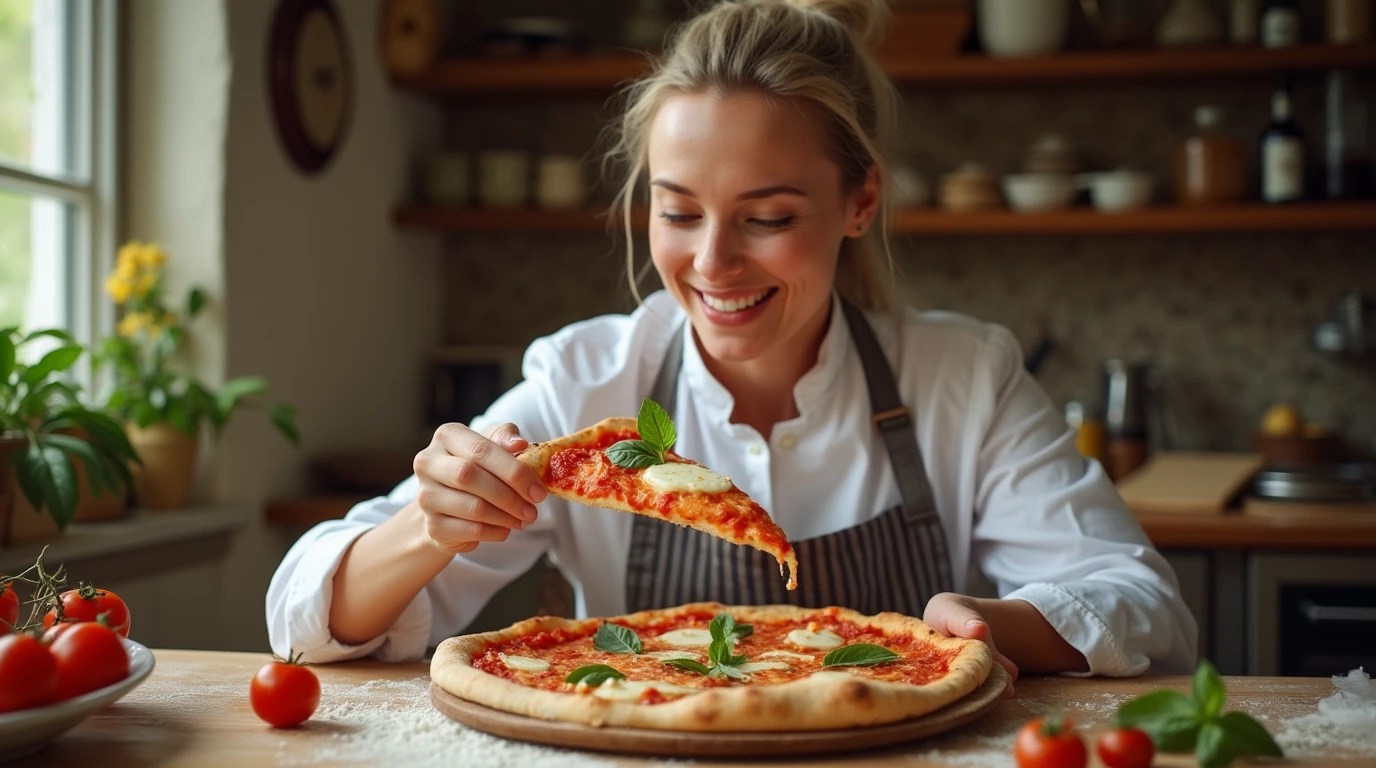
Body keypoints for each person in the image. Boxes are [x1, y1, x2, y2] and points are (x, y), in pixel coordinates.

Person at [267, 0, 1196, 691]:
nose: (712, 262)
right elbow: (303, 620)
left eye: (769, 216)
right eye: (679, 212)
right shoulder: (586, 384)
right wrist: (431, 524)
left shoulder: (962, 378)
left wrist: (987, 624)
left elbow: (1145, 604)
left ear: (860, 202)